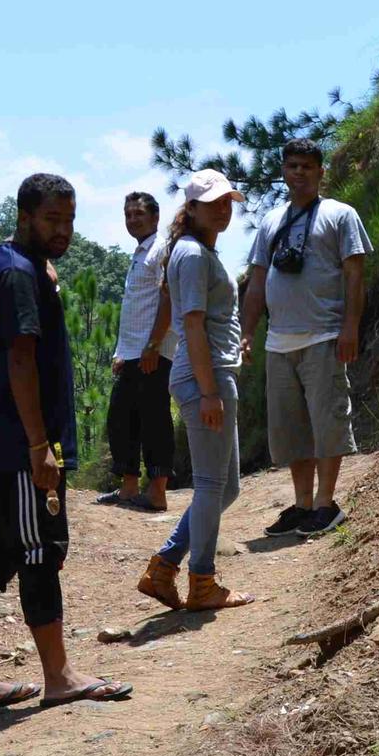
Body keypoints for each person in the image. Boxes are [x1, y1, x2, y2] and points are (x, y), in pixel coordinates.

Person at [0, 173, 132, 713]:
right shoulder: (18, 276)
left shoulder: (8, 263)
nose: (64, 230)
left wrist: (44, 274)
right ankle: (58, 676)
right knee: (40, 551)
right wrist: (39, 446)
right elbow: (21, 359)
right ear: (25, 216)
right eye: (52, 219)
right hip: (17, 449)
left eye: (70, 220)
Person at [135, 169, 257, 612]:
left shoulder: (197, 252)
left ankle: (165, 567)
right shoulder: (191, 254)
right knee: (210, 485)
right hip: (204, 379)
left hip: (214, 372)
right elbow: (190, 325)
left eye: (228, 201)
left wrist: (232, 347)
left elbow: (206, 322)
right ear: (192, 208)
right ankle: (201, 582)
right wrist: (209, 391)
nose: (224, 209)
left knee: (225, 489)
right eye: (214, 202)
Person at [240, 138, 372, 538]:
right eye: (292, 166)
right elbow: (257, 281)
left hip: (324, 336)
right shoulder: (271, 221)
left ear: (320, 172)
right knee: (292, 430)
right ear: (283, 170)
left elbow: (355, 274)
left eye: (307, 167)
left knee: (327, 422)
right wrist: (246, 332)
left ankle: (326, 504)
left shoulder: (340, 215)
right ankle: (301, 505)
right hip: (279, 342)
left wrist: (350, 328)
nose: (298, 173)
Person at [98, 191, 176, 511]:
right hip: (131, 351)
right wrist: (121, 350)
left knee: (154, 419)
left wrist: (154, 344)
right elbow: (134, 307)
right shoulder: (138, 253)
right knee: (121, 418)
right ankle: (128, 488)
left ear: (155, 217)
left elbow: (168, 299)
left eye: (139, 214)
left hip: (152, 351)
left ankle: (157, 492)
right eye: (128, 214)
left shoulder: (161, 249)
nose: (132, 220)